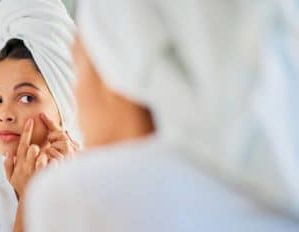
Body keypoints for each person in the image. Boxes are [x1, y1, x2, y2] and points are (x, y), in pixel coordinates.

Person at [25, 0, 299, 231]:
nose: (77, 94)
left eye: (78, 63)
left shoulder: (79, 195)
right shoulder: (283, 179)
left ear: (114, 65)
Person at [0, 0, 80, 231]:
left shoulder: (98, 175)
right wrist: (30, 198)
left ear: (63, 105)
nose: (4, 115)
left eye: (26, 98)